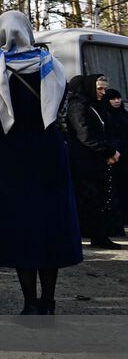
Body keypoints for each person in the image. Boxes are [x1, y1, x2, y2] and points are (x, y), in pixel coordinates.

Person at [0, 11, 81, 313]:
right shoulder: (53, 66)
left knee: (20, 229)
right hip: (49, 154)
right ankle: (49, 299)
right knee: (50, 227)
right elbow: (59, 111)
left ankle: (30, 302)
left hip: (7, 157)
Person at [64, 72, 121, 249]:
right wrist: (109, 151)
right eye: (100, 89)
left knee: (99, 200)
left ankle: (99, 235)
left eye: (104, 88)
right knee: (88, 201)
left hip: (96, 161)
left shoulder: (94, 105)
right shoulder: (78, 106)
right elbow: (86, 134)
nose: (103, 92)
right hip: (84, 162)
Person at [104, 89, 128, 236]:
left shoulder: (123, 114)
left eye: (118, 98)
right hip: (114, 155)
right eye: (113, 99)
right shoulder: (106, 115)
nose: (117, 101)